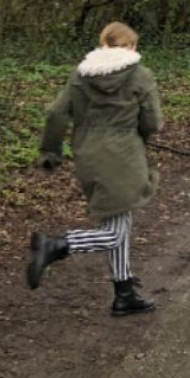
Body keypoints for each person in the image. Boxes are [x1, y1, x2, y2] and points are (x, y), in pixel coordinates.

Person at [27, 21, 162, 316]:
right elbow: (152, 121)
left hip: (88, 154)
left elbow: (56, 114)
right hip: (124, 155)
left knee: (119, 223)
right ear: (129, 47)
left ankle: (124, 293)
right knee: (114, 232)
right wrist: (138, 134)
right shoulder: (140, 75)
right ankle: (56, 245)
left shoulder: (80, 75)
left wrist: (50, 151)